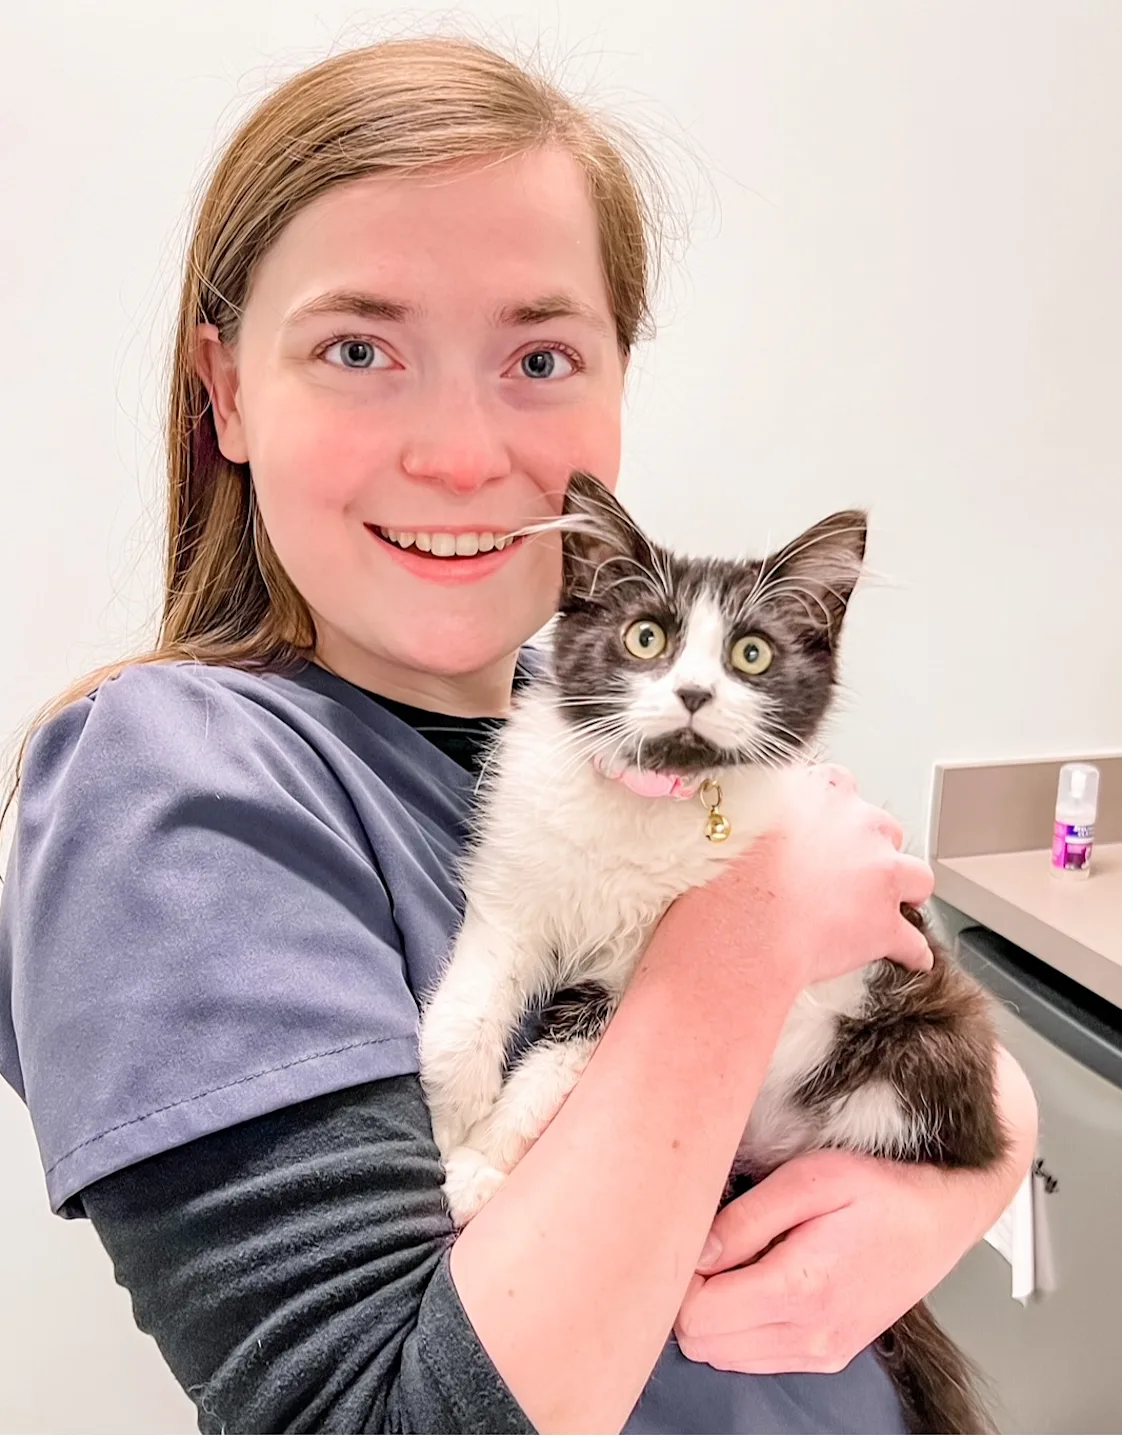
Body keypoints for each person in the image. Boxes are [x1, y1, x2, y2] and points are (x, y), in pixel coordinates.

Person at [0, 35, 1036, 1436]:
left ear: (616, 385)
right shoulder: (176, 785)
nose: (460, 452)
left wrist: (965, 1175)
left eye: (539, 354)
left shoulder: (584, 717)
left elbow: (919, 1013)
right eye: (358, 348)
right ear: (226, 390)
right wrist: (741, 938)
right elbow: (378, 1416)